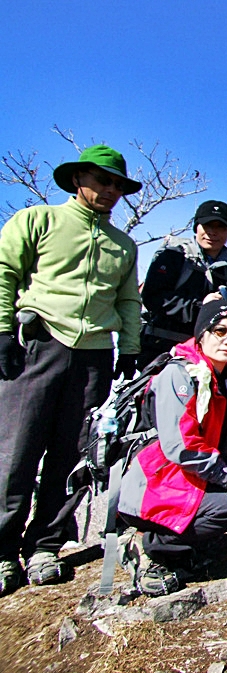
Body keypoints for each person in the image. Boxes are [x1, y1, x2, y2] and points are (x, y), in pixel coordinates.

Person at [0, 145, 142, 596]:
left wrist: (131, 347)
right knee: (16, 449)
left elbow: (128, 301)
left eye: (118, 184)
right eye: (103, 180)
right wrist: (3, 328)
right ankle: (2, 551)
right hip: (38, 342)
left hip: (96, 354)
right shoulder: (37, 220)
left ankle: (46, 544)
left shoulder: (124, 245)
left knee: (76, 454)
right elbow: (4, 270)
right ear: (78, 178)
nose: (111, 190)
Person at [118, 300, 227, 597]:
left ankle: (182, 547)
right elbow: (180, 446)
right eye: (219, 330)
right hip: (161, 485)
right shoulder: (180, 374)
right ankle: (148, 546)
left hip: (197, 482)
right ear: (201, 334)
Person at [139, 200, 227, 369]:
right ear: (196, 227)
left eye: (220, 227)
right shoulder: (173, 257)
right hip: (162, 351)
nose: (212, 232)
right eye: (207, 225)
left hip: (207, 359)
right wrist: (203, 308)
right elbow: (153, 297)